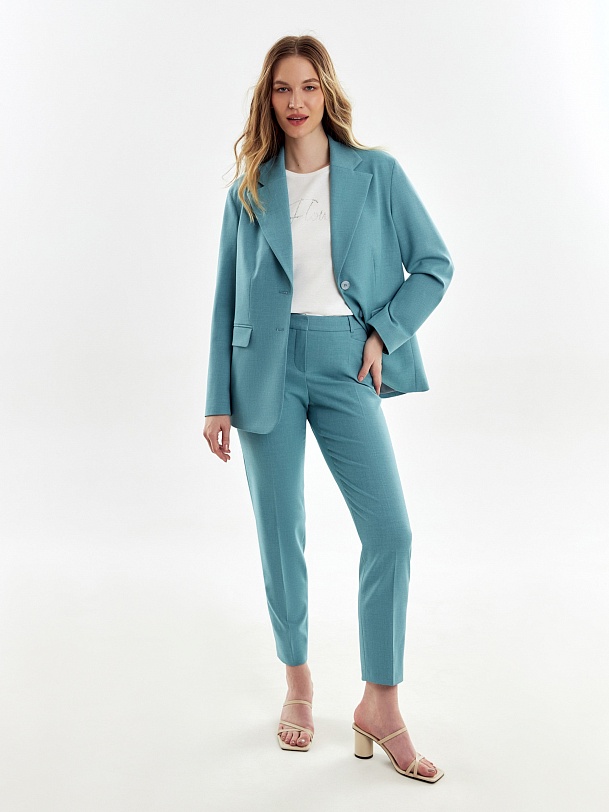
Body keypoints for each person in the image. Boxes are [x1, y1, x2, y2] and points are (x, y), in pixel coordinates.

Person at [203, 34, 453, 783]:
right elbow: (226, 298)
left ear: (327, 93)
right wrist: (216, 400)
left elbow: (434, 264)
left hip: (347, 364)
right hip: (265, 374)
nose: (296, 101)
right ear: (268, 98)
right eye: (282, 88)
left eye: (308, 87)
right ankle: (299, 682)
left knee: (391, 533)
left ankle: (381, 702)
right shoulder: (248, 189)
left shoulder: (378, 174)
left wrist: (383, 333)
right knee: (282, 534)